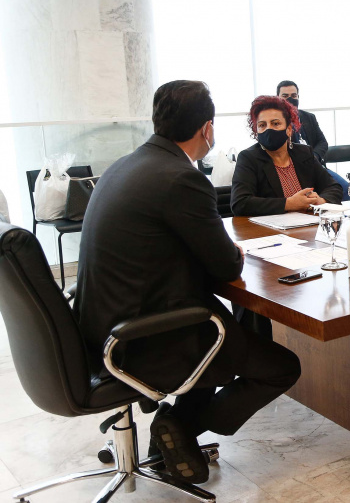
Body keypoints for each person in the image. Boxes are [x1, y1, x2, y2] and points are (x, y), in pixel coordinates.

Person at [75, 80, 301, 485]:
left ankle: (171, 432)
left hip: (99, 326)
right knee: (281, 367)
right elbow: (226, 266)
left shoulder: (127, 165)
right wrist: (234, 254)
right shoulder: (181, 178)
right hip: (146, 336)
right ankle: (178, 428)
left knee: (224, 343)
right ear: (207, 129)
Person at [231, 95, 343, 217]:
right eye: (262, 125)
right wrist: (289, 203)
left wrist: (320, 201)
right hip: (270, 231)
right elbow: (240, 203)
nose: (269, 129)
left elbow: (333, 186)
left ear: (289, 129)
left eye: (275, 123)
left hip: (310, 226)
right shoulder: (248, 158)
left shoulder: (304, 152)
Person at [276, 80, 329, 164]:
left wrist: (314, 157)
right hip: (293, 168)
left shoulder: (309, 117)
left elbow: (322, 142)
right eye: (285, 96)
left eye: (294, 96)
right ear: (278, 98)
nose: (290, 99)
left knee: (337, 178)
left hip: (315, 165)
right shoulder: (274, 122)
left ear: (298, 97)